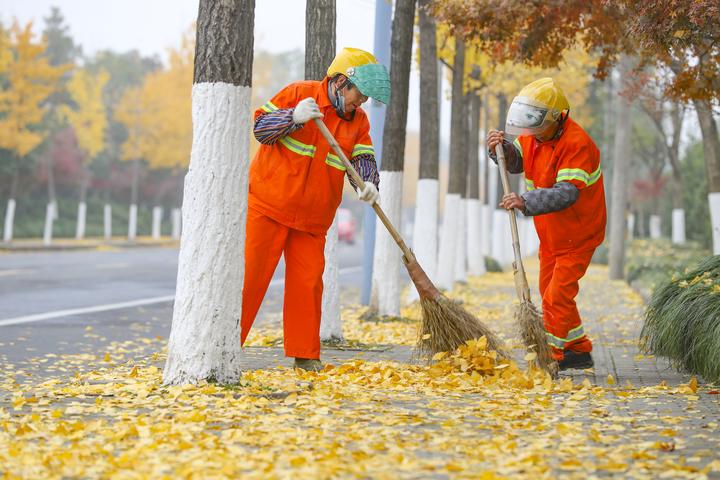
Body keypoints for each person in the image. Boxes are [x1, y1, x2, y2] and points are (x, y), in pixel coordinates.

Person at [241, 48, 390, 371]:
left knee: (307, 286)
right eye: (359, 95)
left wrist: (368, 183)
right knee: (249, 279)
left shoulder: (358, 122)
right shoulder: (299, 94)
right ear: (339, 83)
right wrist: (292, 118)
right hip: (268, 205)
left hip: (313, 219)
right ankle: (223, 343)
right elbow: (260, 129)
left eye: (365, 99)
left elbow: (362, 159)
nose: (361, 103)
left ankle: (305, 355)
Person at [487, 77, 606, 371]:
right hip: (551, 236)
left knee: (555, 298)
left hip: (578, 238)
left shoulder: (577, 144)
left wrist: (525, 202)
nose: (532, 131)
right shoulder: (534, 136)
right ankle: (578, 349)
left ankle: (549, 359)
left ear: (558, 118)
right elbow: (516, 162)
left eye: (538, 124)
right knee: (552, 292)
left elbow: (566, 192)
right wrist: (499, 149)